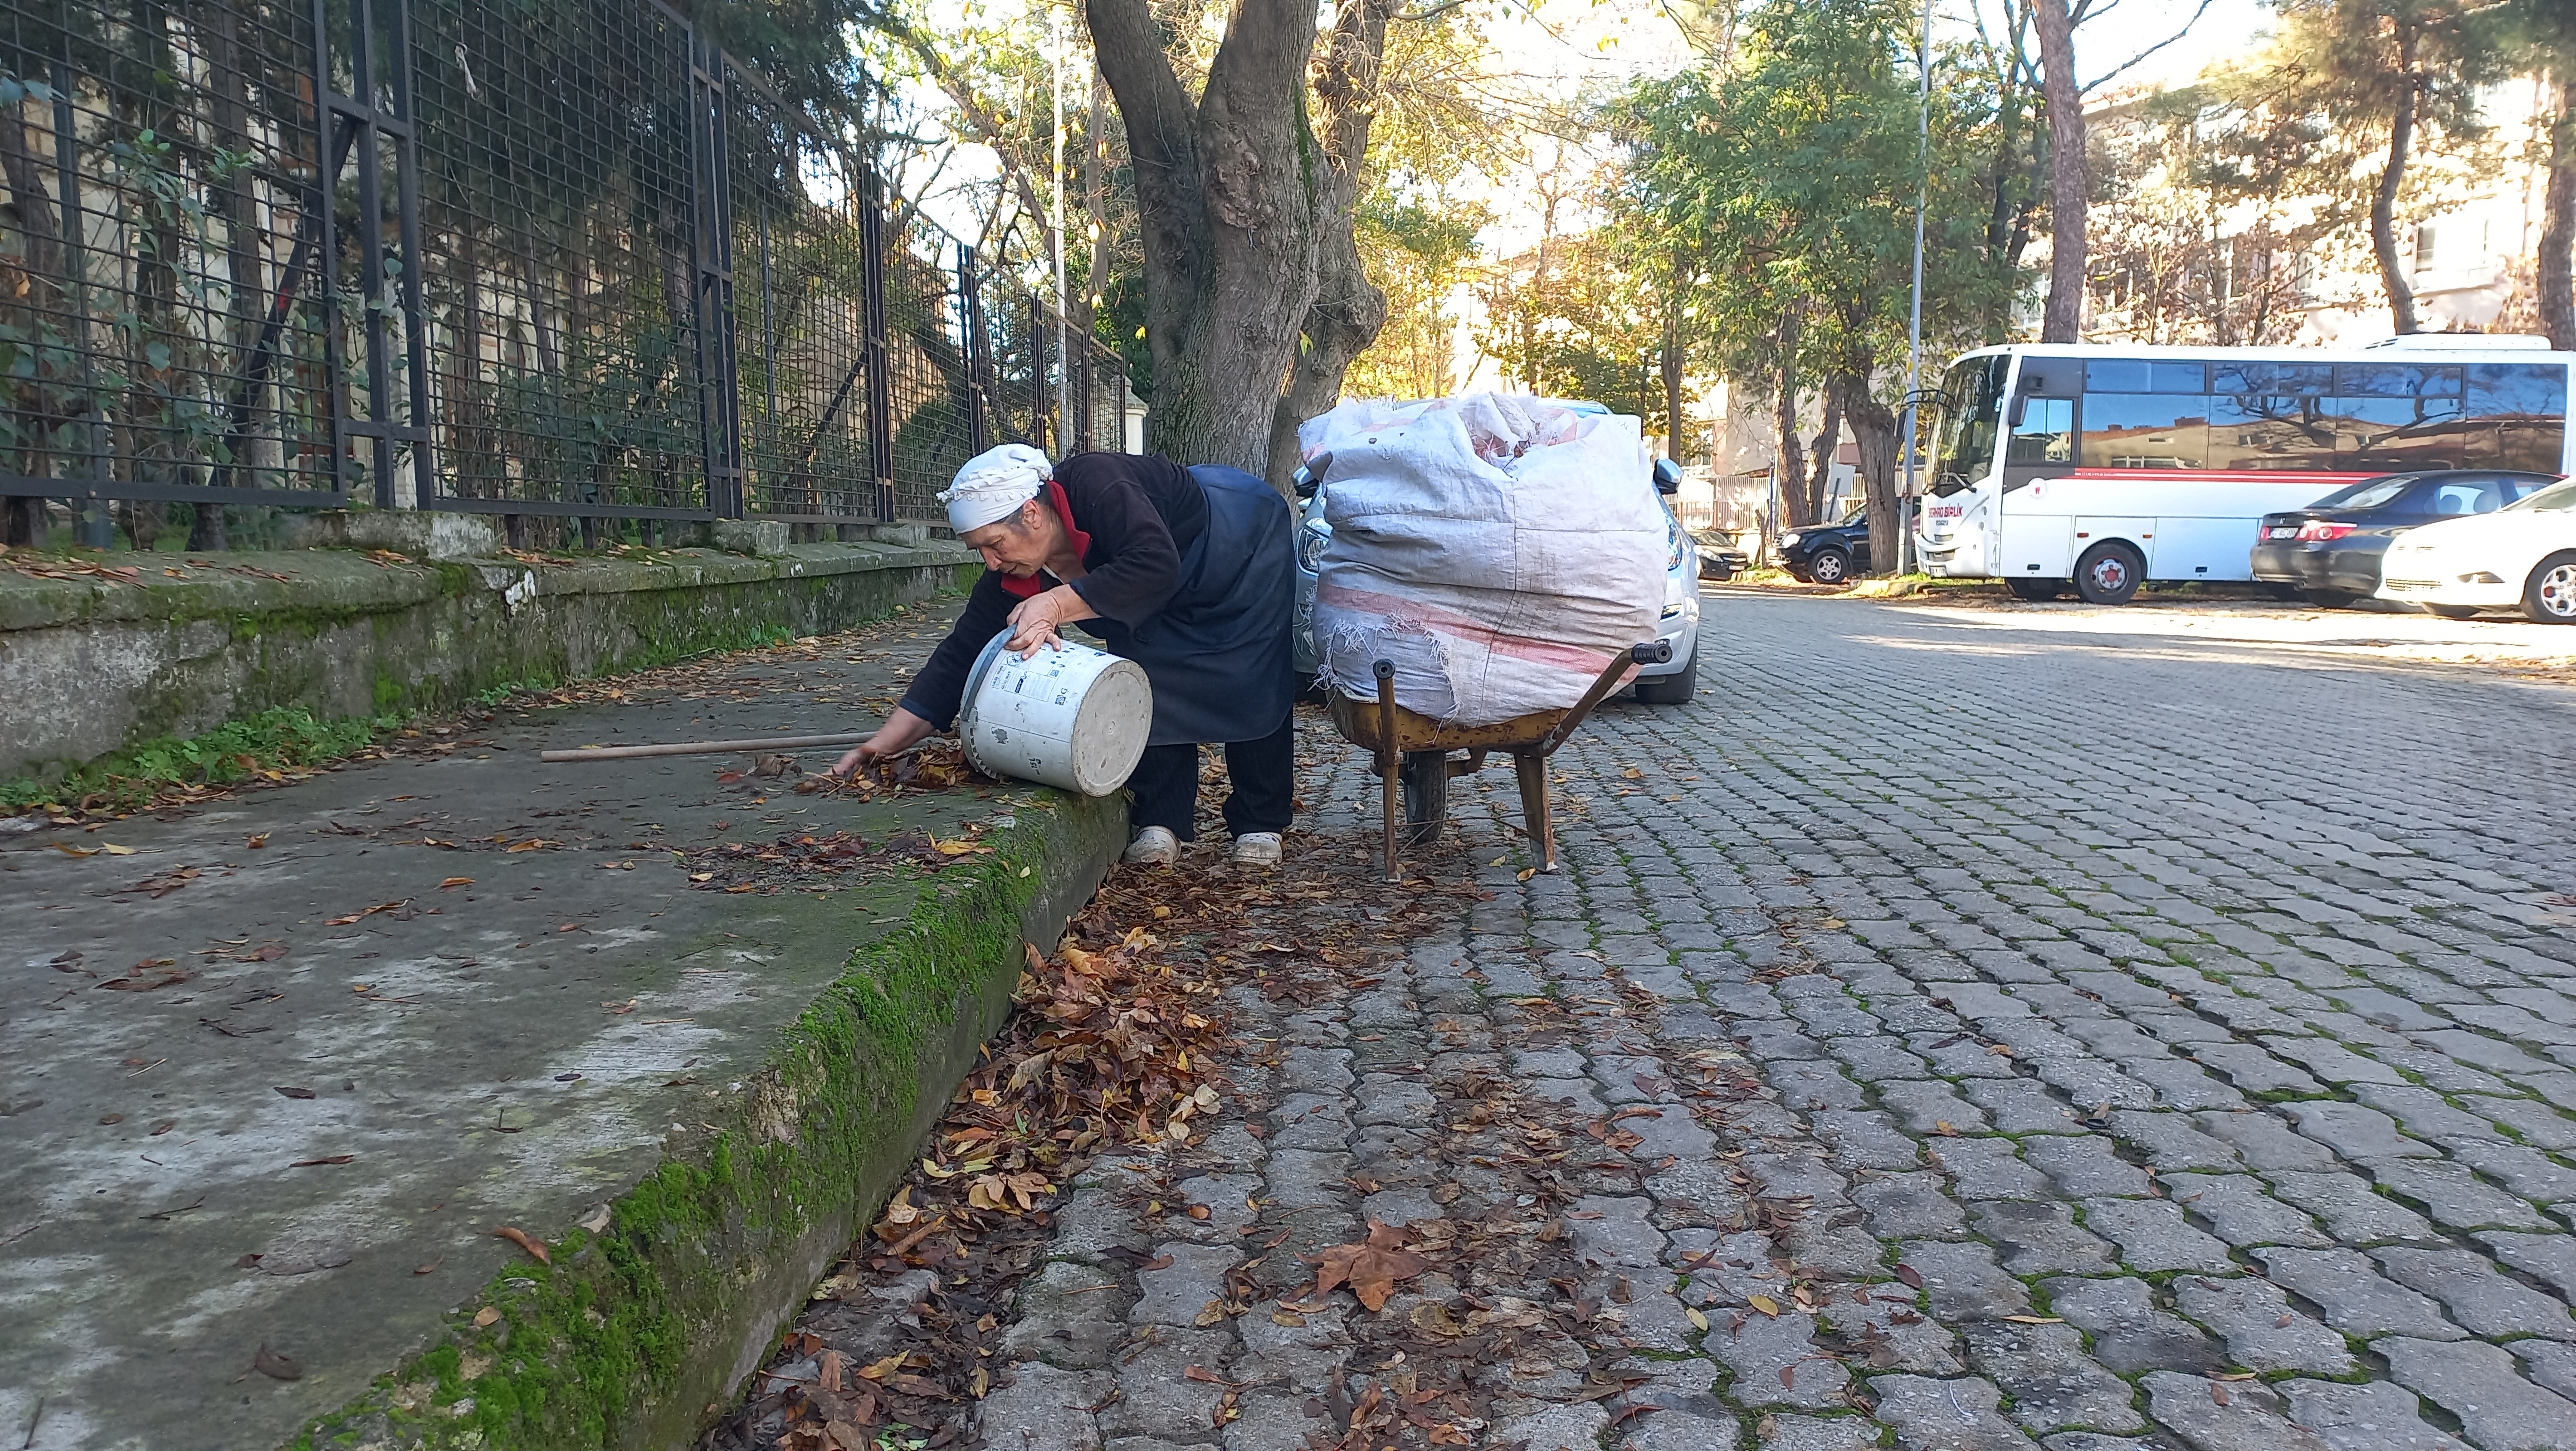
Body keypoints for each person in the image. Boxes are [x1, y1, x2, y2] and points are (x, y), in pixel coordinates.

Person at [833, 443, 1297, 867]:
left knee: (1250, 675)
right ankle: (1162, 821)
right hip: (1164, 593)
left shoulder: (1099, 483)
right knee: (1145, 672)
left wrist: (1055, 604)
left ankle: (1259, 820)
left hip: (1238, 546)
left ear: (1031, 514)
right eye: (981, 552)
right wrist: (881, 746)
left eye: (995, 545)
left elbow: (1152, 563)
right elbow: (960, 657)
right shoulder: (1016, 570)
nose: (991, 563)